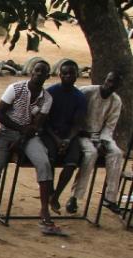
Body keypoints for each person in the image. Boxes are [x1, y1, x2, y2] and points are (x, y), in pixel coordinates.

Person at [0, 61, 61, 235]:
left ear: (47, 76)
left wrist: (21, 139)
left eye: (43, 72)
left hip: (28, 138)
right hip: (7, 133)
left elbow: (36, 126)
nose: (39, 74)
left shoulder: (47, 98)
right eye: (37, 70)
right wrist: (20, 130)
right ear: (31, 71)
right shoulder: (15, 88)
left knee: (43, 163)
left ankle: (44, 209)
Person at [68, 71, 124, 214]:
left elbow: (110, 126)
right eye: (109, 81)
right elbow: (73, 108)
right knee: (91, 154)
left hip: (101, 136)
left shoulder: (116, 101)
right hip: (82, 134)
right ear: (105, 79)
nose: (110, 85)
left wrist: (103, 141)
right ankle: (75, 197)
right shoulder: (87, 91)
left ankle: (110, 198)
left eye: (114, 83)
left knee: (117, 154)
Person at [45, 60, 89, 213]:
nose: (68, 76)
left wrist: (68, 139)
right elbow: (44, 122)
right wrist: (57, 140)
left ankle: (56, 195)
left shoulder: (80, 97)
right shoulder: (51, 92)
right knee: (49, 157)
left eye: (72, 73)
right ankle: (49, 192)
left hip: (69, 135)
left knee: (72, 162)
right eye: (65, 73)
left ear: (77, 75)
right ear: (60, 75)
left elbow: (78, 124)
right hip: (50, 133)